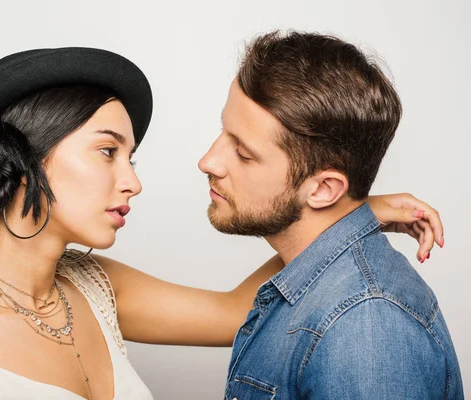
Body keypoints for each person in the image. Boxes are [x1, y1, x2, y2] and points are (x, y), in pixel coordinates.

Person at [0, 46, 444, 400]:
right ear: (25, 159)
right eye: (108, 152)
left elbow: (237, 313)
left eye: (132, 157)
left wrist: (346, 212)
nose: (133, 182)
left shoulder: (96, 284)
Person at [196, 31, 462, 399]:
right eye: (224, 132)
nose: (207, 161)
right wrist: (362, 212)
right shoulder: (320, 291)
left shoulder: (366, 327)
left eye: (243, 152)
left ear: (323, 190)